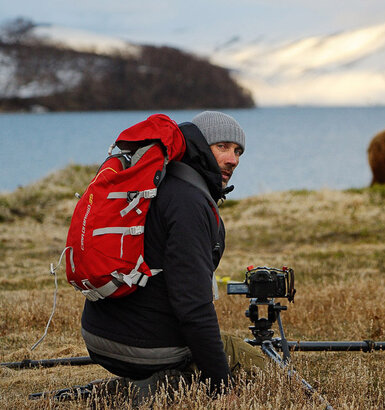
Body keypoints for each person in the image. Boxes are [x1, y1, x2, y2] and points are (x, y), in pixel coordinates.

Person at [80, 111, 264, 401]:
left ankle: (143, 383)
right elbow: (193, 307)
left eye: (238, 150)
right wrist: (221, 389)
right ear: (201, 147)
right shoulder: (189, 202)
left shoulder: (158, 182)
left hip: (98, 335)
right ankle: (151, 386)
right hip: (142, 347)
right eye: (223, 147)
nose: (234, 159)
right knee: (264, 370)